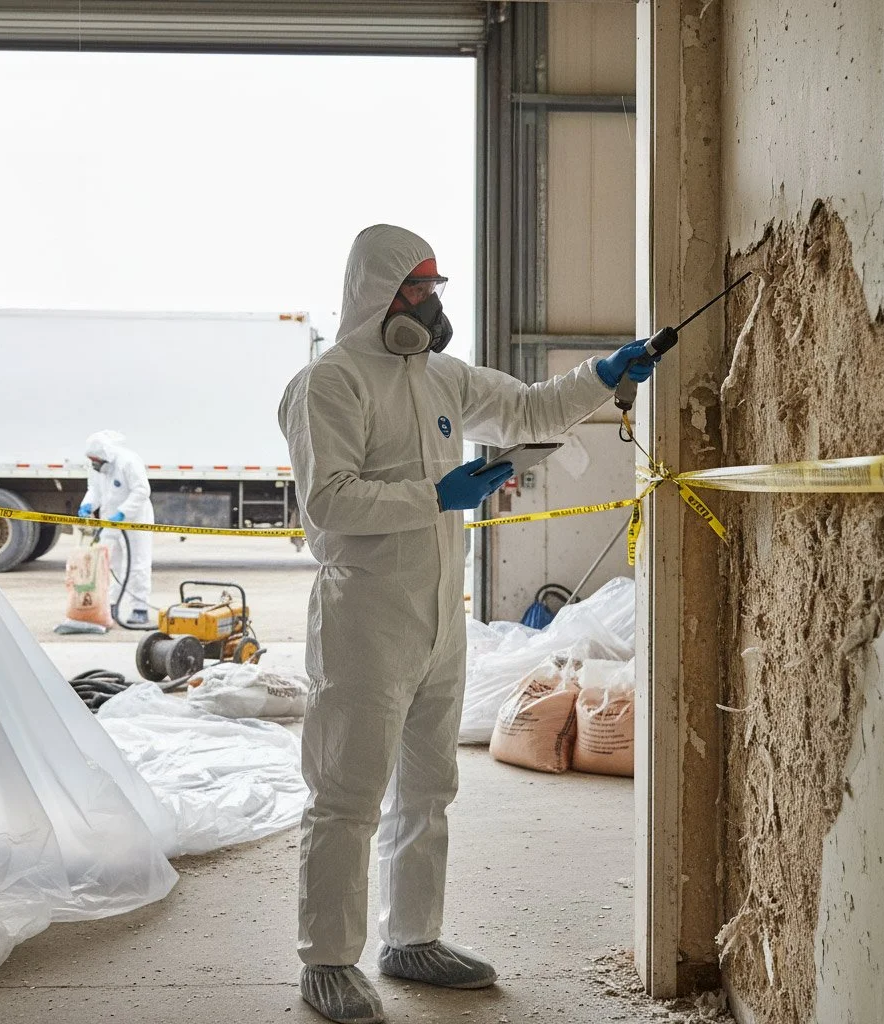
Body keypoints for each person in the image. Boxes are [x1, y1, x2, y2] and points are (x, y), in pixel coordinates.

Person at [278, 224, 656, 1024]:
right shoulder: (329, 384)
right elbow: (329, 506)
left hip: (437, 621)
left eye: (436, 287)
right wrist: (437, 496)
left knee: (429, 785)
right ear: (376, 293)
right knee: (347, 792)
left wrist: (605, 374)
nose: (431, 302)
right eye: (418, 288)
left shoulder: (443, 376)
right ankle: (328, 958)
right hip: (365, 620)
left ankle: (412, 937)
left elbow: (527, 409)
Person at [76, 430, 155, 627]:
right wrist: (87, 505)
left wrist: (123, 512)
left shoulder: (128, 462)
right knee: (110, 564)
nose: (93, 463)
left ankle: (140, 608)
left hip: (134, 520)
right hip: (109, 521)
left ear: (105, 456)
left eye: (95, 459)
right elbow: (94, 489)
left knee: (137, 564)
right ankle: (110, 606)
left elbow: (142, 490)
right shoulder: (96, 468)